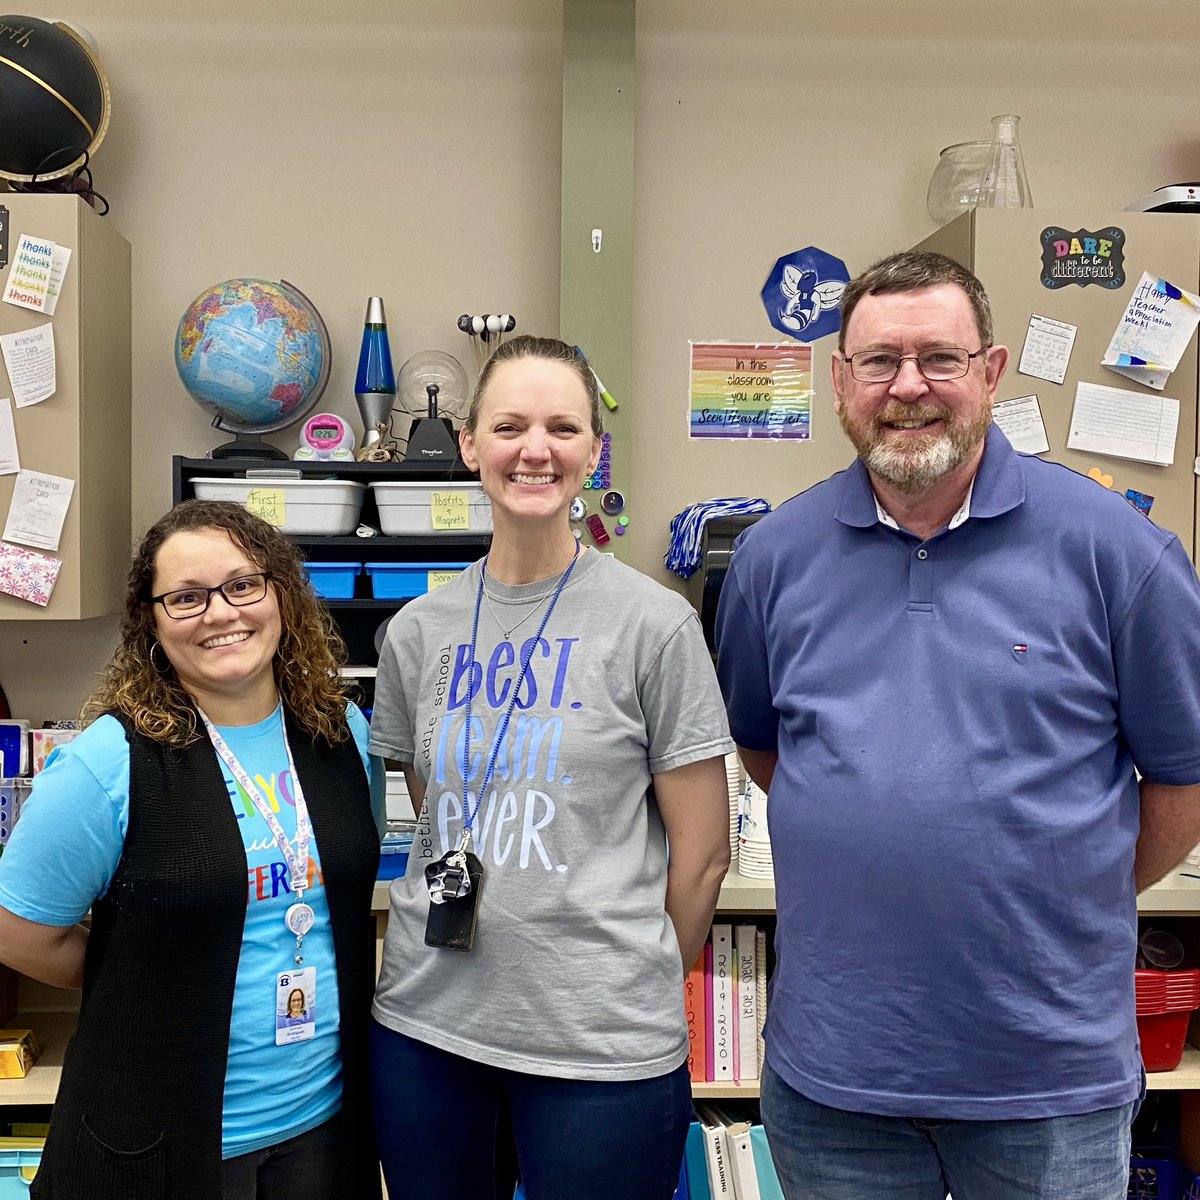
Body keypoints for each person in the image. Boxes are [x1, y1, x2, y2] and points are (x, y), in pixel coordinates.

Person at [715, 250, 1200, 1200]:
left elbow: (1182, 779)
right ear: (840, 380)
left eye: (939, 358)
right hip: (836, 1079)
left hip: (1047, 1083)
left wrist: (1062, 872)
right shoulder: (772, 559)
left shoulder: (1123, 555)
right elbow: (768, 751)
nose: (908, 388)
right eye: (878, 362)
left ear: (992, 369)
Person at [368, 334, 734, 1200]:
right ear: (469, 445)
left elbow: (705, 853)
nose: (536, 449)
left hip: (599, 1045)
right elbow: (435, 808)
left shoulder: (654, 626)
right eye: (511, 425)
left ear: (592, 451)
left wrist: (626, 976)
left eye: (563, 427)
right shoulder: (419, 632)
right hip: (427, 1029)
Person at [0, 499, 384, 1200]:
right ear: (150, 619)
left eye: (243, 585)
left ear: (280, 595)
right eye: (186, 598)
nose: (221, 613)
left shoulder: (340, 735)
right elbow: (19, 931)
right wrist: (150, 974)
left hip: (322, 1128)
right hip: (164, 1141)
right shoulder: (112, 762)